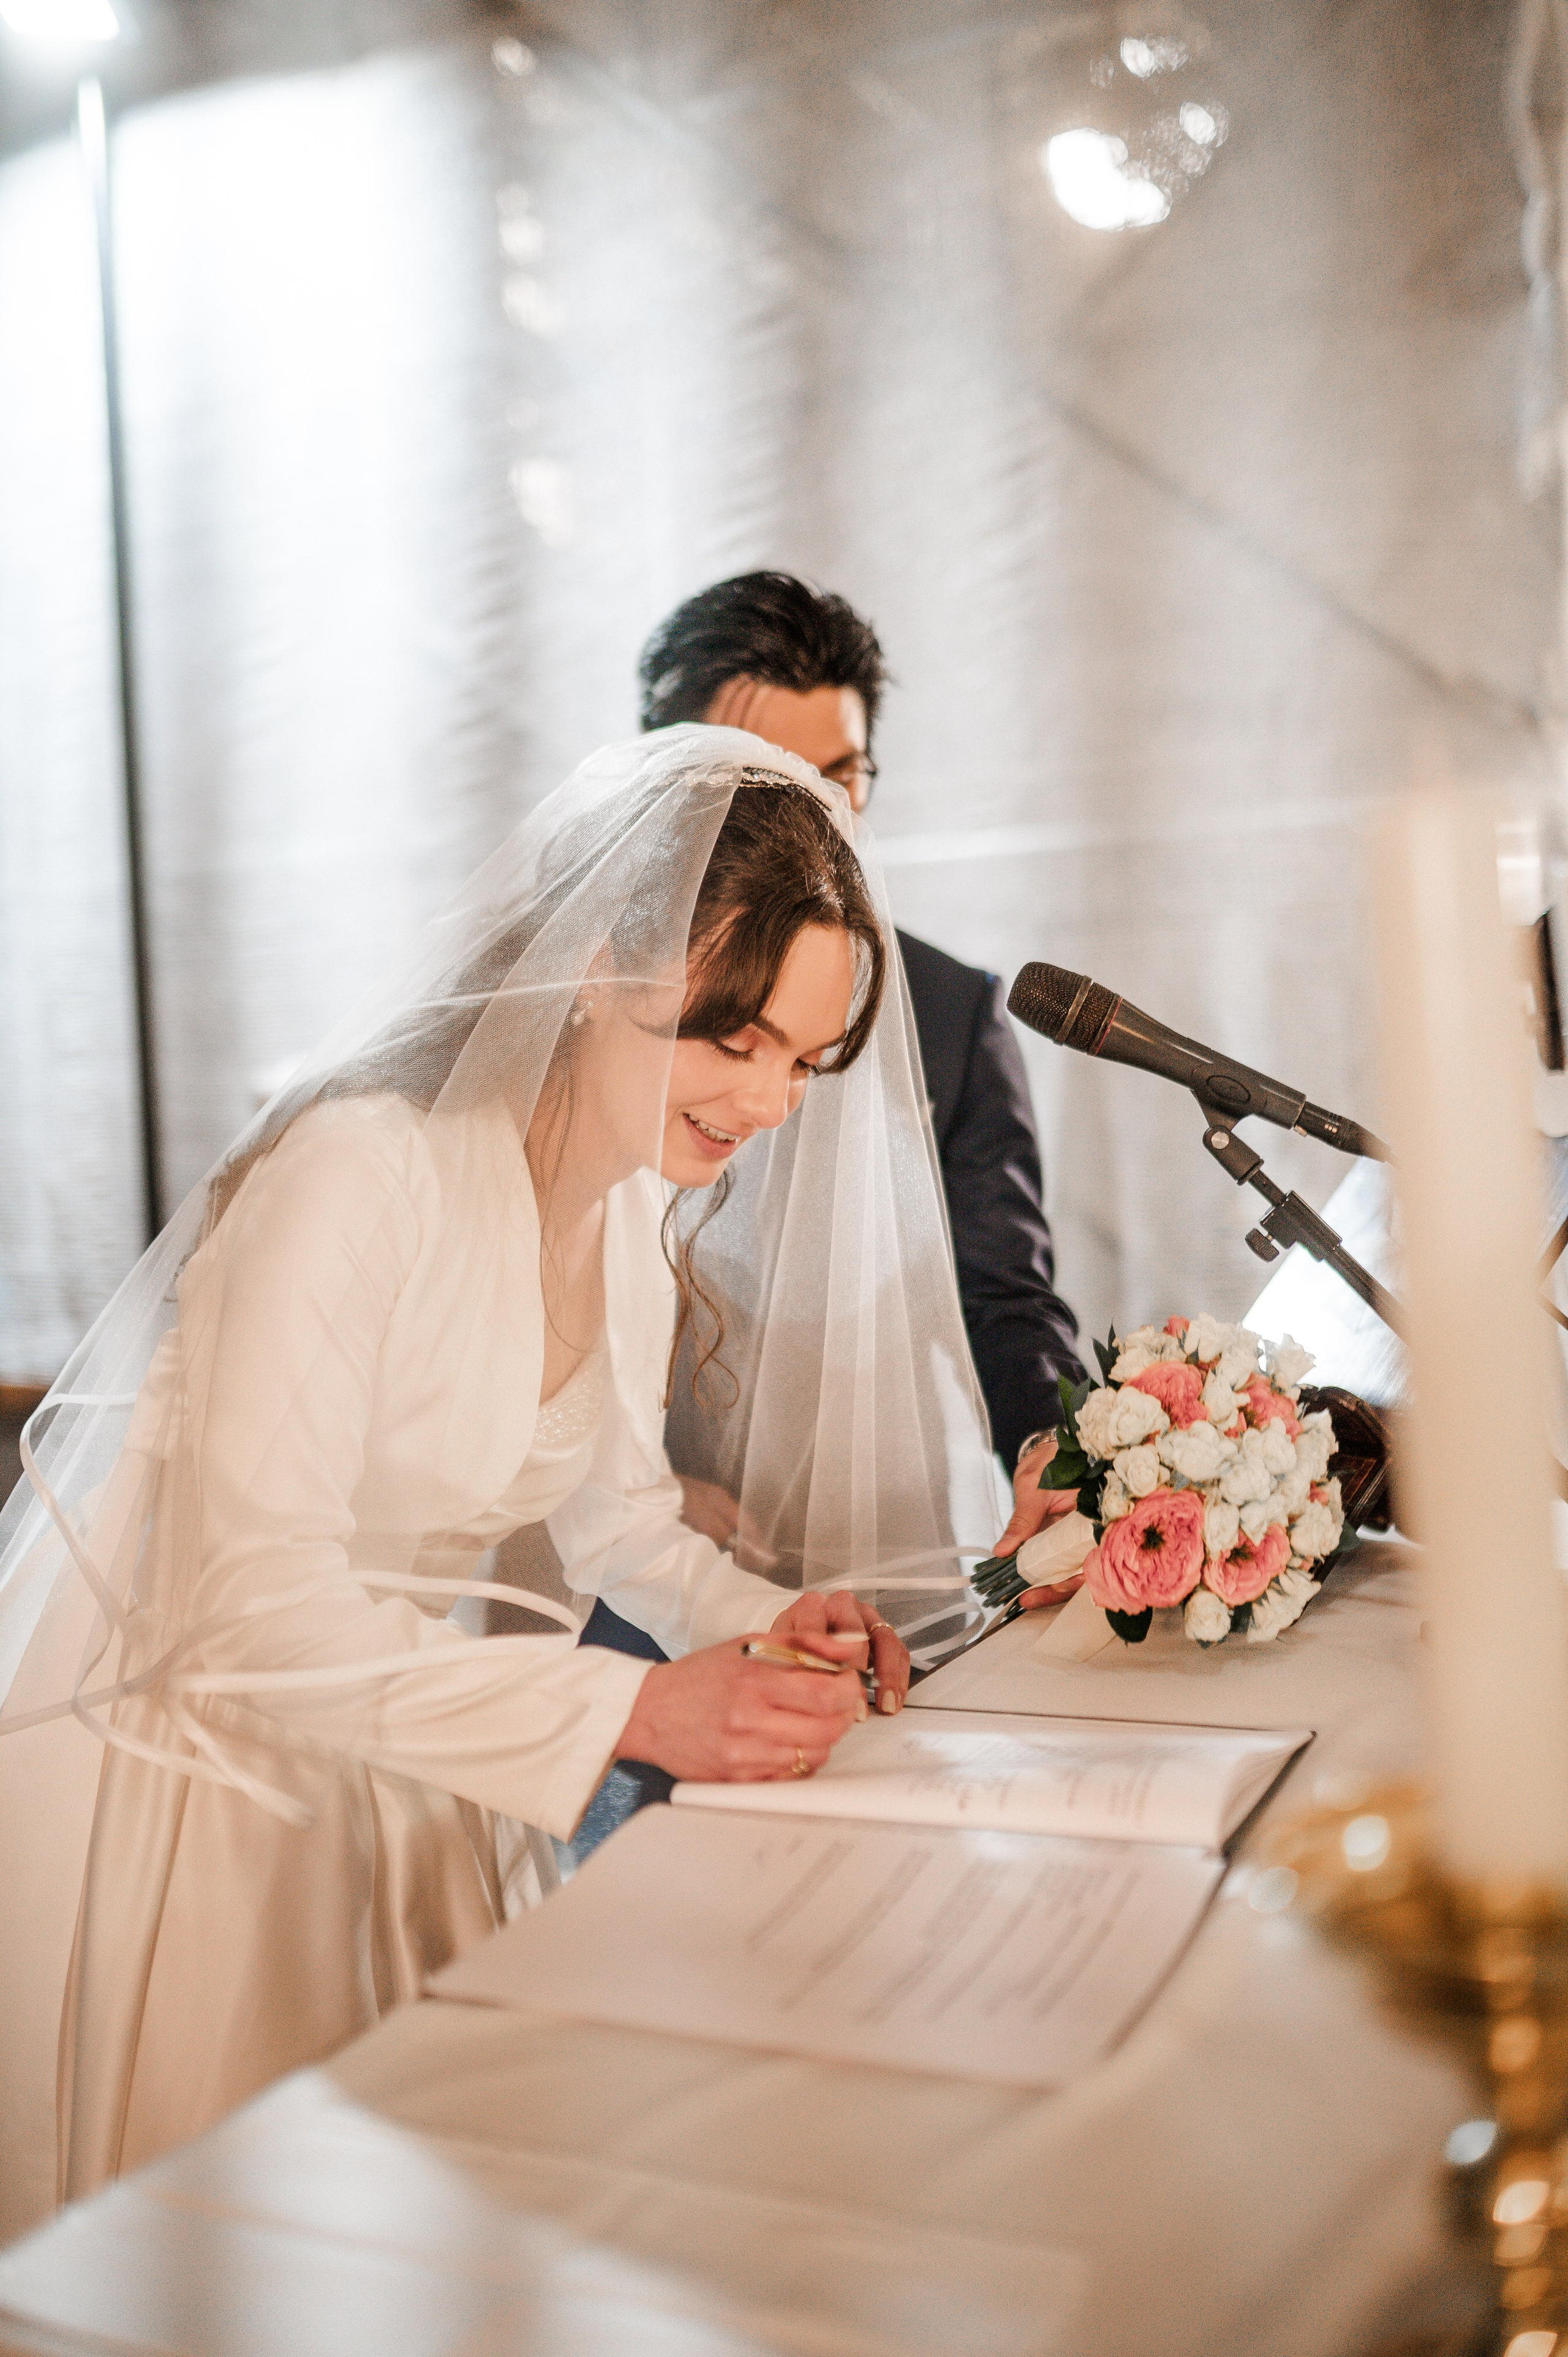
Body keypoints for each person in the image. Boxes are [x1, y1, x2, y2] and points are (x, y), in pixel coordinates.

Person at [0, 730, 1003, 2238]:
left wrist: (770, 1619)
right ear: (599, 970)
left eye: (803, 1060)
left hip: (405, 1755)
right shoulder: (360, 1169)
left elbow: (621, 1524)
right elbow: (247, 1607)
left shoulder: (624, 1209)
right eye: (732, 1041)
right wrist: (632, 1711)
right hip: (193, 1778)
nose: (769, 1104)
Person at [638, 574, 1085, 1484]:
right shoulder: (604, 983)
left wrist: (1057, 1453)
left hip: (871, 1504)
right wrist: (638, 1494)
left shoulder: (952, 1012)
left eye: (841, 775)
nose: (819, 813)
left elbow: (1004, 1299)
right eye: (772, 774)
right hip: (626, 1518)